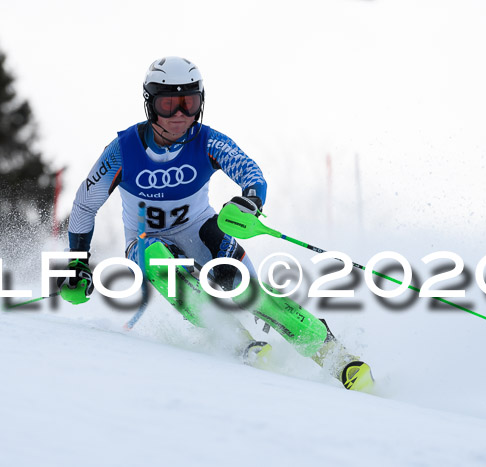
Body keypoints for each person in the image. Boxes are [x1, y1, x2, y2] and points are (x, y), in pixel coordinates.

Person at [58, 57, 373, 392]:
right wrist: (77, 263)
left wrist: (249, 201)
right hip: (146, 243)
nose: (180, 115)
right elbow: (83, 205)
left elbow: (250, 172)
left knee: (252, 294)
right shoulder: (123, 150)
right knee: (156, 255)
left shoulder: (207, 141)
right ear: (150, 104)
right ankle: (235, 340)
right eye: (168, 104)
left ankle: (336, 358)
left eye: (188, 103)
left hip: (200, 231)